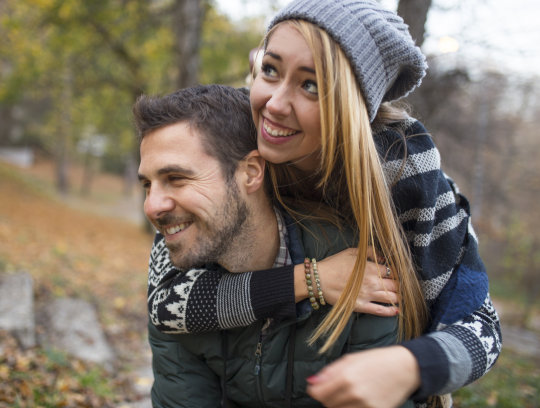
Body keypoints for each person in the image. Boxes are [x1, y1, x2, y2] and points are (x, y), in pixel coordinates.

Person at [145, 1, 502, 407]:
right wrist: (311, 280)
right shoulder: (236, 135)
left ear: (351, 106)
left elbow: (481, 328)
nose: (275, 104)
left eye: (311, 85)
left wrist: (407, 366)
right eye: (271, 70)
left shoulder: (406, 174)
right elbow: (166, 304)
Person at [135, 83, 416, 407]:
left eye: (177, 178)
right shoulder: (174, 285)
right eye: (147, 184)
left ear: (251, 172)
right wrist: (311, 280)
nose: (152, 206)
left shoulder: (358, 266)